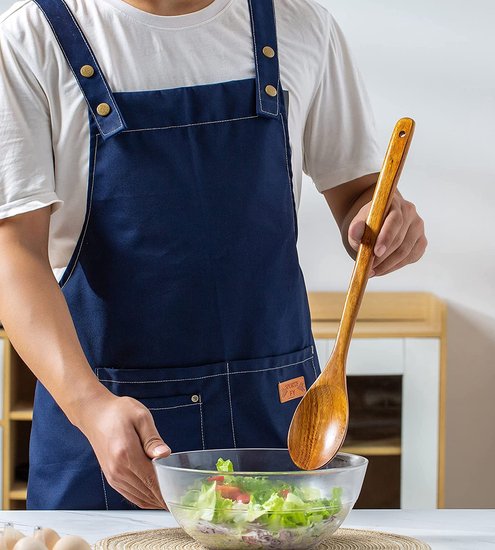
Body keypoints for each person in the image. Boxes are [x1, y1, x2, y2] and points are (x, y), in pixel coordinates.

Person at [0, 0, 427, 510]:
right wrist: (89, 405)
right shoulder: (30, 38)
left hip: (278, 414)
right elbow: (13, 251)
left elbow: (359, 192)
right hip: (112, 420)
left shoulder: (298, 22)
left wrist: (384, 218)